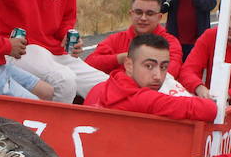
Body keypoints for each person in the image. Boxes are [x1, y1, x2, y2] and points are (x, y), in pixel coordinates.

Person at [84, 34, 216, 121]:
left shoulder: (100, 88)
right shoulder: (144, 99)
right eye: (149, 66)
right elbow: (209, 110)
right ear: (129, 65)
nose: (158, 76)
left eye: (163, 67)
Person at [84, 0, 184, 79]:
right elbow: (90, 63)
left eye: (149, 14)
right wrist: (121, 58)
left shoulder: (170, 42)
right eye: (139, 12)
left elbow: (172, 71)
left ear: (159, 17)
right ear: (131, 14)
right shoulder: (116, 39)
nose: (143, 18)